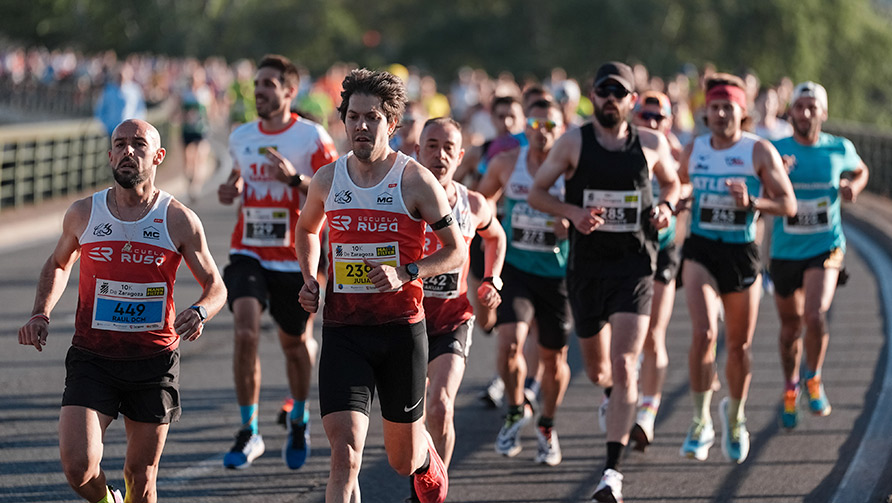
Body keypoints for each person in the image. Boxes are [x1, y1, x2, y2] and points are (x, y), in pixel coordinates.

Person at [17, 119, 226, 503]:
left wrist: (199, 312)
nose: (128, 151)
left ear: (159, 156)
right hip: (93, 358)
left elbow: (216, 286)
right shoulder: (85, 212)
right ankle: (108, 500)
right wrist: (40, 313)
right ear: (111, 154)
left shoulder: (177, 218)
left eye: (139, 144)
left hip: (153, 362)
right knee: (78, 466)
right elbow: (60, 263)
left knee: (140, 478)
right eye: (120, 144)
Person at [295, 68, 465, 503]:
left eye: (372, 117)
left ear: (392, 124)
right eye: (353, 117)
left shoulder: (415, 181)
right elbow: (308, 230)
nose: (361, 126)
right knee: (344, 456)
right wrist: (310, 276)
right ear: (344, 120)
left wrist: (407, 272)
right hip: (343, 331)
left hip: (400, 333)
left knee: (401, 462)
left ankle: (424, 456)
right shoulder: (328, 180)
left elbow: (456, 251)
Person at [528, 62, 680, 502]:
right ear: (592, 96)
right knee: (599, 369)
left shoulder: (650, 143)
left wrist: (667, 208)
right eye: (603, 90)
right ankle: (615, 398)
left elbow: (673, 183)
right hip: (587, 270)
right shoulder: (574, 142)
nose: (610, 97)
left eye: (619, 92)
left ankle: (611, 472)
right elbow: (537, 192)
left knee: (626, 362)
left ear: (632, 100)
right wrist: (572, 213)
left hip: (635, 265)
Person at [217, 55, 338, 470]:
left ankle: (300, 417)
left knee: (293, 345)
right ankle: (249, 430)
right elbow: (240, 174)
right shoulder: (241, 136)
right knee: (245, 330)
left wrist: (295, 182)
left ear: (289, 91)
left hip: (293, 256)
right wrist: (231, 188)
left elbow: (336, 189)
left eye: (269, 84)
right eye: (257, 84)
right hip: (247, 249)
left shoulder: (311, 137)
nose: (260, 91)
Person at [676, 74, 796, 464]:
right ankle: (699, 420)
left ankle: (736, 414)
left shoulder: (758, 151)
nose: (721, 113)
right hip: (701, 251)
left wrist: (753, 203)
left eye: (729, 107)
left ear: (742, 112)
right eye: (715, 107)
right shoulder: (693, 150)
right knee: (704, 332)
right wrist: (675, 202)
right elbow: (675, 187)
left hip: (742, 253)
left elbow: (788, 205)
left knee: (740, 347)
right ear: (705, 112)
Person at [406, 117, 506, 501]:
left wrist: (491, 279)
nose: (440, 154)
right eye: (431, 145)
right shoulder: (400, 198)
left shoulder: (473, 203)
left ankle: (432, 494)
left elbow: (496, 237)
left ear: (460, 156)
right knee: (408, 418)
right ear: (417, 150)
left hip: (452, 321)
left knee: (441, 405)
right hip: (404, 321)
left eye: (448, 148)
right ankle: (420, 472)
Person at [478, 99, 572, 466]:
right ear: (525, 127)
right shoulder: (506, 164)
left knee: (553, 359)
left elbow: (590, 215)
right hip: (516, 270)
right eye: (535, 124)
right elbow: (480, 204)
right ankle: (516, 410)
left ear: (561, 128)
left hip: (557, 275)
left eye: (550, 125)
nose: (542, 131)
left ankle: (547, 423)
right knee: (509, 344)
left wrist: (568, 222)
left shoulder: (571, 170)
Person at [770, 81, 868, 429]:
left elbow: (860, 170)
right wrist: (772, 175)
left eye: (813, 107)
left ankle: (814, 378)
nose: (806, 113)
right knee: (789, 328)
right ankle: (790, 387)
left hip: (826, 244)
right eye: (800, 106)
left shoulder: (839, 147)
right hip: (785, 250)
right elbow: (756, 183)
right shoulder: (776, 149)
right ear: (791, 111)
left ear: (823, 113)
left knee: (815, 314)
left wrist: (852, 187)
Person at [628, 90, 686, 451]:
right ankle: (623, 391)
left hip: (663, 250)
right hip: (626, 251)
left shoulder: (677, 152)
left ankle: (648, 411)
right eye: (645, 115)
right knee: (624, 335)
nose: (651, 122)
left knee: (653, 334)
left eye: (658, 117)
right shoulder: (621, 146)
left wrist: (670, 206)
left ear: (668, 121)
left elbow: (688, 185)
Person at [94, 62, 147, 137]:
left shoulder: (134, 90)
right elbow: (100, 110)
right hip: (112, 130)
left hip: (130, 131)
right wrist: (107, 125)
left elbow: (140, 110)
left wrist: (136, 125)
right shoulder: (109, 90)